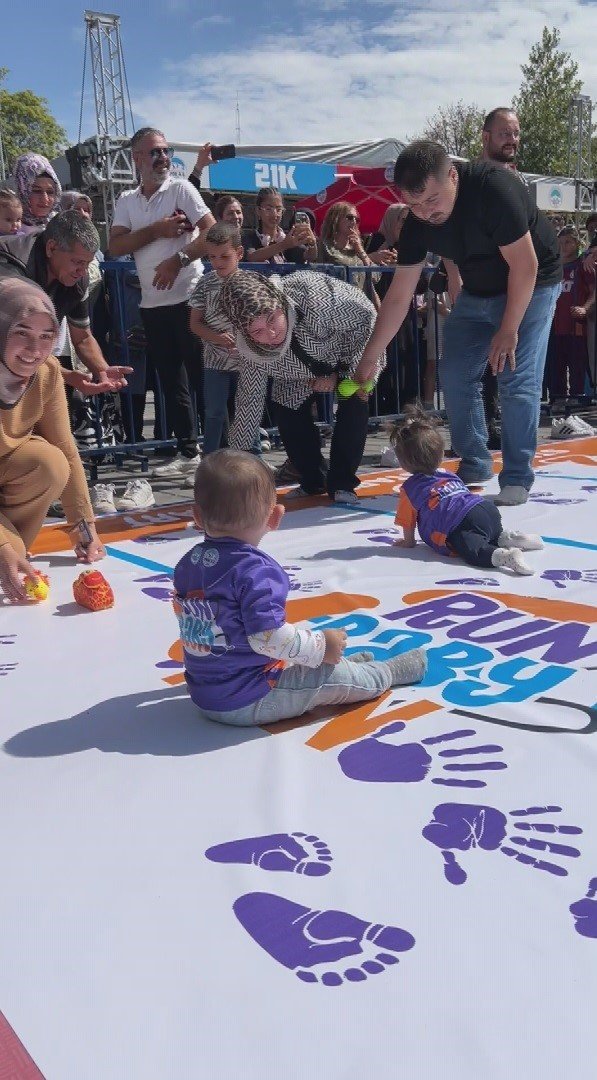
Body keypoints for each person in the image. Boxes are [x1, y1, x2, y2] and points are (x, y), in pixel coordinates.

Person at [356, 140, 562, 506]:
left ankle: (516, 475)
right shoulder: (417, 222)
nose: (424, 213)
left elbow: (525, 266)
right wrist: (371, 355)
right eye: (414, 204)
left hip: (533, 284)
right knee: (454, 374)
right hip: (479, 292)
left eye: (432, 200)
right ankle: (475, 460)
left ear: (453, 175)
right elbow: (399, 295)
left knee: (515, 376)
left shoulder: (493, 189)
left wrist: (508, 330)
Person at [172, 449, 427, 726]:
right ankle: (386, 672)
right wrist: (321, 646)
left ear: (197, 515)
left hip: (205, 693)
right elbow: (266, 637)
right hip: (250, 698)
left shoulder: (189, 564)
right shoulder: (255, 571)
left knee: (306, 661)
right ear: (275, 517)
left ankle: (342, 664)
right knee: (332, 678)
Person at [219, 268, 385, 504]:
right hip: (296, 370)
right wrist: (237, 469)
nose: (271, 333)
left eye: (271, 318)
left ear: (279, 301)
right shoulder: (251, 352)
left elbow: (367, 318)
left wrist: (342, 375)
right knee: (285, 409)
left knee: (355, 398)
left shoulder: (314, 297)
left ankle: (342, 483)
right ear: (245, 332)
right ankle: (313, 478)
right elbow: (249, 405)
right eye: (257, 331)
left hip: (352, 347)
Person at [109, 126, 216, 479]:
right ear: (137, 158)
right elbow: (116, 246)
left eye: (166, 150)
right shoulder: (126, 200)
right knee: (172, 382)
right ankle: (189, 451)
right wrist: (156, 230)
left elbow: (213, 231)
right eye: (154, 152)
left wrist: (178, 259)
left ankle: (221, 454)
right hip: (153, 304)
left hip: (190, 295)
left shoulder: (182, 188)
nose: (163, 157)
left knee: (205, 378)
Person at [0, 279, 105, 603]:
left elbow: (65, 450)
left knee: (50, 463)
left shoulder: (46, 371)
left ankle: (12, 555)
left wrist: (84, 528)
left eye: (47, 336)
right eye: (22, 332)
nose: (35, 350)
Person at [390, 407, 543, 575]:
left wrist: (408, 542)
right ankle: (508, 538)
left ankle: (505, 556)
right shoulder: (447, 474)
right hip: (484, 508)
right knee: (488, 533)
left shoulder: (411, 488)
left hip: (459, 523)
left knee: (472, 549)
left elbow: (407, 521)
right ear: (441, 454)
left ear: (403, 463)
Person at [0, 210, 130, 396]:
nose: (83, 271)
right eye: (78, 262)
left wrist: (102, 370)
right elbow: (12, 346)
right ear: (51, 248)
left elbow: (82, 337)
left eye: (87, 263)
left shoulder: (77, 279)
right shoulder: (10, 267)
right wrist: (66, 376)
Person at [189, 222, 261, 457]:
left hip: (248, 362)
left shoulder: (252, 282)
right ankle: (210, 462)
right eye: (212, 257)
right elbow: (195, 323)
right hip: (215, 362)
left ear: (239, 253)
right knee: (214, 413)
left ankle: (254, 460)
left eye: (224, 256)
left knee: (248, 410)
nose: (218, 262)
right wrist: (217, 338)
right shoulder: (205, 283)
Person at [479, 108, 524, 449]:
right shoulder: (471, 178)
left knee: (507, 363)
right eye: (505, 133)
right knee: (474, 366)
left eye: (515, 133)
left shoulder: (518, 182)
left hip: (513, 287)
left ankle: (500, 429)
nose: (512, 140)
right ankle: (479, 434)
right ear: (486, 137)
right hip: (479, 286)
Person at [549, 226, 593, 404]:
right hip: (555, 326)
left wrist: (585, 308)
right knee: (556, 366)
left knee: (577, 367)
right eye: (560, 243)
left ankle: (577, 401)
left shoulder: (583, 265)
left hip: (576, 328)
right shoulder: (553, 268)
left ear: (576, 243)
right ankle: (558, 400)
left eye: (568, 242)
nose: (563, 246)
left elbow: (594, 291)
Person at [242, 188, 315, 264]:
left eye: (278, 209)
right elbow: (252, 257)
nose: (274, 214)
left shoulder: (288, 239)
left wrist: (312, 243)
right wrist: (284, 245)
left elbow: (309, 256)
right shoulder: (249, 238)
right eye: (268, 209)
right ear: (258, 211)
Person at [13, 153, 61, 235]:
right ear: (22, 191)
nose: (45, 199)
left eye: (50, 192)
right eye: (37, 191)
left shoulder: (62, 224)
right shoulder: (10, 230)